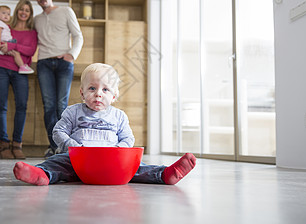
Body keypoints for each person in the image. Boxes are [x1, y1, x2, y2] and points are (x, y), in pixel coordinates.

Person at [13, 63, 196, 186]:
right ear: (82, 93)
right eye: (92, 88)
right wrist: (73, 146)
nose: (98, 94)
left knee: (138, 167)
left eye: (105, 89)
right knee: (56, 162)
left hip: (111, 162)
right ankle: (41, 174)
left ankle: (165, 174)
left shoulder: (119, 116)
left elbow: (127, 138)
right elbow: (58, 131)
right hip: (78, 160)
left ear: (114, 96)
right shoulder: (73, 112)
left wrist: (119, 151)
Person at [32, 0, 84, 158]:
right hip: (44, 63)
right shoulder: (36, 20)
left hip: (64, 63)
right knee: (48, 106)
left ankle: (63, 146)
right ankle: (53, 146)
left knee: (62, 106)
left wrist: (72, 55)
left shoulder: (65, 11)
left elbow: (78, 35)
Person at [0, 0, 38, 159]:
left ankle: (17, 144)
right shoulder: (5, 26)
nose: (23, 12)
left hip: (21, 72)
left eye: (27, 10)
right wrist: (1, 45)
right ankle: (4, 144)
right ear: (16, 11)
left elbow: (31, 50)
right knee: (1, 107)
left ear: (30, 14)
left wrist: (12, 46)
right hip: (1, 68)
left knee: (21, 106)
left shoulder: (32, 32)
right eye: (21, 9)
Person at [0, 5, 33, 82]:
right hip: (4, 43)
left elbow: (31, 51)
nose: (6, 15)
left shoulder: (2, 25)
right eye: (3, 13)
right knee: (16, 52)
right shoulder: (0, 24)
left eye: (8, 14)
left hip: (0, 45)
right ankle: (22, 66)